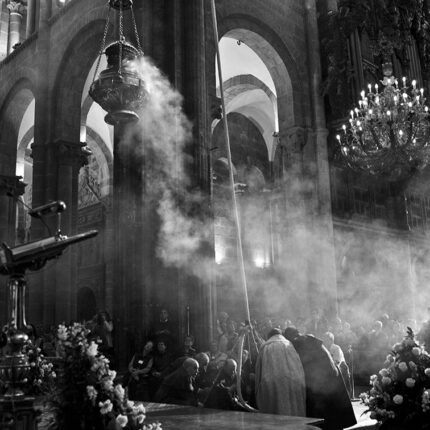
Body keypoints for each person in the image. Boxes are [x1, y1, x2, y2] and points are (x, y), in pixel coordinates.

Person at [284, 327, 356, 430]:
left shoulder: (297, 342)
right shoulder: (308, 339)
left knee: (323, 411)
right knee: (333, 409)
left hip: (321, 378)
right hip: (329, 374)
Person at [255, 328, 306, 416]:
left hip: (273, 382)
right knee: (294, 409)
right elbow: (299, 366)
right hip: (294, 380)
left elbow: (259, 370)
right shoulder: (290, 345)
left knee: (276, 411)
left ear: (269, 336)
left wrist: (257, 389)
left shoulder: (265, 347)